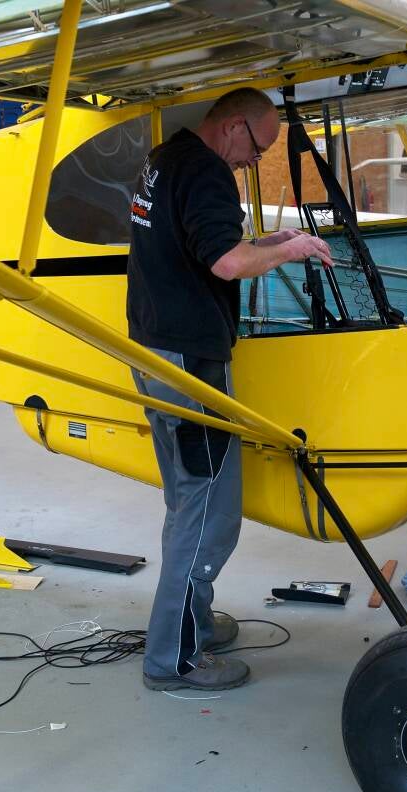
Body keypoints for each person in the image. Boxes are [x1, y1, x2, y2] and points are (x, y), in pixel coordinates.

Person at [127, 87, 332, 691]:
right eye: (256, 151)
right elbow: (224, 263)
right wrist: (290, 247)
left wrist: (275, 247)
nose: (251, 164)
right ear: (235, 126)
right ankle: (176, 659)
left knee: (186, 498)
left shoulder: (166, 160)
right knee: (209, 511)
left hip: (155, 348)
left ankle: (191, 622)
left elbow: (207, 246)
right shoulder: (208, 172)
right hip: (190, 360)